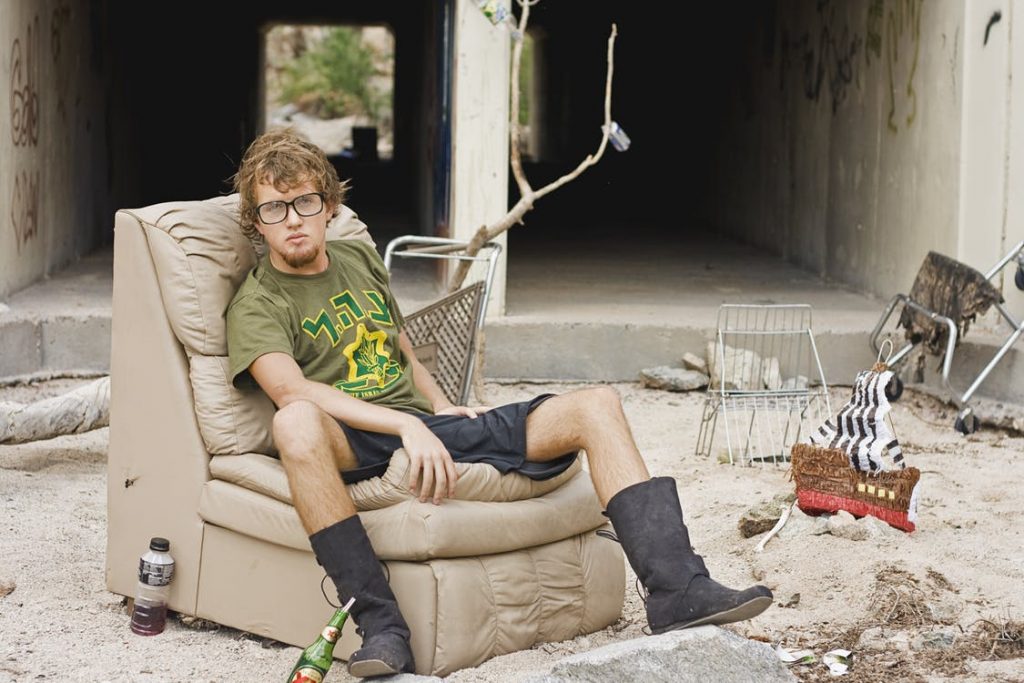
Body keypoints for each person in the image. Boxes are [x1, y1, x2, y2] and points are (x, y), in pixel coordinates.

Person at [226, 129, 772, 678]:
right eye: (273, 208)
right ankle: (382, 627)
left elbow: (403, 351)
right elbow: (292, 392)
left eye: (304, 202)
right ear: (256, 221)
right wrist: (405, 427)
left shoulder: (357, 260)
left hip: (426, 426)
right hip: (356, 438)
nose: (292, 219)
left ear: (329, 205)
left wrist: (440, 410)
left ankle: (678, 589)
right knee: (294, 423)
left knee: (597, 404)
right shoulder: (257, 301)